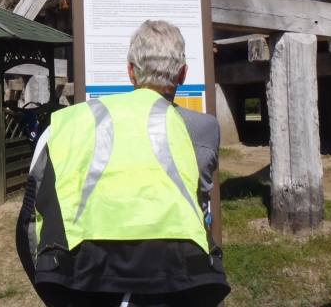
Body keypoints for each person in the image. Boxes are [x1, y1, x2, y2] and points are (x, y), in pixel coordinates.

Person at [16, 20, 230, 307]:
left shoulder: (70, 124)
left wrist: (53, 287)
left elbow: (28, 223)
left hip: (84, 276)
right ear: (183, 74)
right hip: (176, 276)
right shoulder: (203, 129)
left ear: (130, 71)